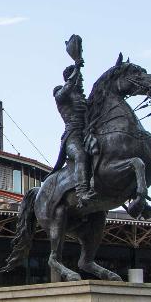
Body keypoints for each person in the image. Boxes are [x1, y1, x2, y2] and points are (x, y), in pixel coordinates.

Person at [52, 35, 95, 205]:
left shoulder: (84, 99)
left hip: (87, 133)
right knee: (80, 155)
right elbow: (67, 88)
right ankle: (81, 191)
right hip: (72, 136)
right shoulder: (60, 93)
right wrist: (77, 68)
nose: (82, 82)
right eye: (79, 79)